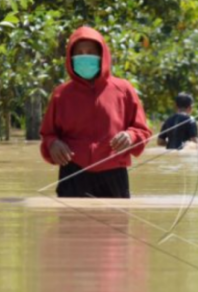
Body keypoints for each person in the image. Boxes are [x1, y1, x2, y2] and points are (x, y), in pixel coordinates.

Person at [40, 26, 152, 198]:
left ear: (102, 56)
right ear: (71, 57)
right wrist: (53, 144)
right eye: (80, 52)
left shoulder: (123, 89)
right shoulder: (60, 94)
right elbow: (48, 134)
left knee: (116, 223)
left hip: (114, 172)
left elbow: (142, 131)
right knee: (69, 225)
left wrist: (131, 136)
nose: (85, 56)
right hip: (73, 172)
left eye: (91, 52)